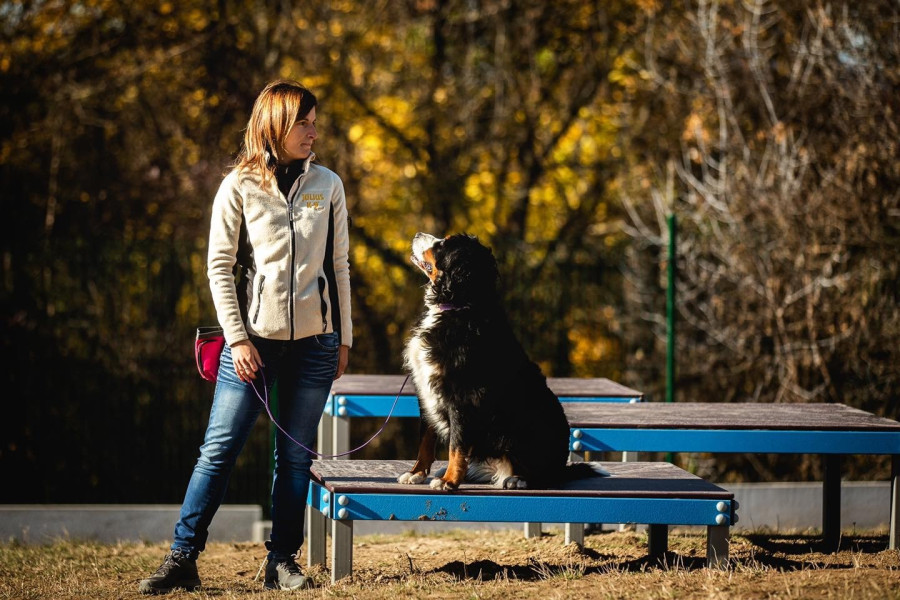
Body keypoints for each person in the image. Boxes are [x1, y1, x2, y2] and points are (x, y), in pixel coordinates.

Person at [139, 79, 352, 593]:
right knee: (218, 451)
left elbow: (340, 265)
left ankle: (282, 561)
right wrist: (238, 341)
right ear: (275, 125)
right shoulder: (238, 186)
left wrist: (343, 338)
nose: (313, 132)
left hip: (316, 346)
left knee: (296, 458)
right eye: (303, 123)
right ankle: (182, 558)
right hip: (252, 346)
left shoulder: (328, 184)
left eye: (314, 123)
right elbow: (219, 266)